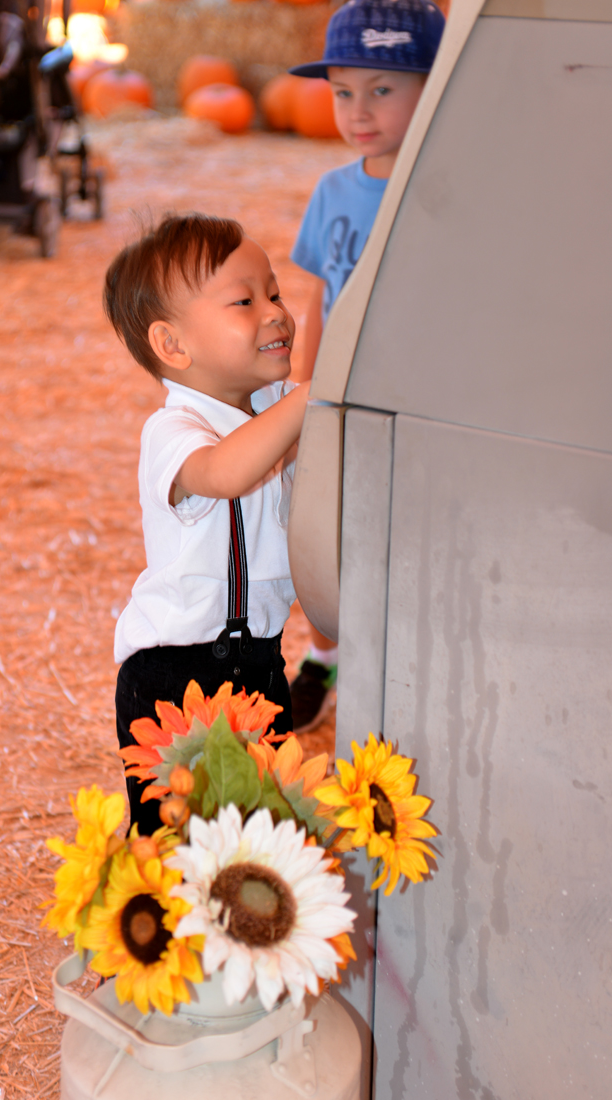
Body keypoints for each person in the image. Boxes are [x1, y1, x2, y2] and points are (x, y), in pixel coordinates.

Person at [103, 213, 310, 835]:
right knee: (176, 849)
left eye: (274, 292)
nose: (275, 312)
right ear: (174, 347)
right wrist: (309, 401)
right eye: (244, 301)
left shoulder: (281, 406)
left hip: (263, 669)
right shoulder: (174, 430)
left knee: (270, 843)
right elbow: (225, 473)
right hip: (173, 676)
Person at [287, 0, 445, 731]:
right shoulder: (332, 193)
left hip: (416, 403)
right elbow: (319, 298)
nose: (359, 110)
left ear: (434, 86)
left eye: (384, 89)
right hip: (341, 398)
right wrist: (302, 394)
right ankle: (324, 653)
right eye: (344, 91)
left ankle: (395, 667)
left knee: (405, 540)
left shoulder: (441, 197)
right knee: (324, 533)